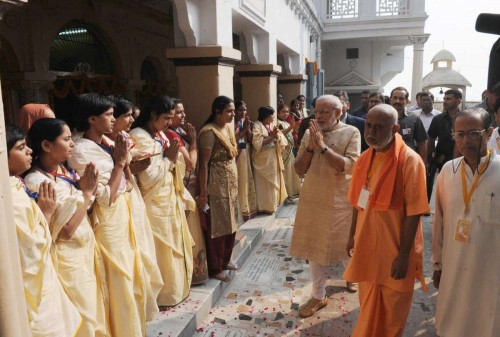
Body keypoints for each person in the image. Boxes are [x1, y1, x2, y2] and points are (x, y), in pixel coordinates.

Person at [344, 104, 429, 337]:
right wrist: (352, 236)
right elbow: (357, 203)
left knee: (392, 314)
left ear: (395, 128)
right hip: (368, 247)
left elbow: (414, 212)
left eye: (379, 127)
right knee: (368, 303)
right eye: (369, 126)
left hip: (395, 250)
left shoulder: (410, 161)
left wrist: (403, 256)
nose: (371, 132)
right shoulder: (364, 159)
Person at [67, 93, 146, 337]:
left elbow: (127, 182)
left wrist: (125, 164)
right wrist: (121, 164)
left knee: (131, 272)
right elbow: (105, 198)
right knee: (118, 276)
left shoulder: (107, 143)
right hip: (107, 221)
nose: (115, 120)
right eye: (109, 115)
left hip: (124, 214)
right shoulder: (80, 151)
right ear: (92, 119)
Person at [25, 118, 109, 337]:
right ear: (46, 145)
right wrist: (87, 195)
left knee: (94, 310)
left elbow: (82, 212)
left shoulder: (65, 172)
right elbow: (66, 231)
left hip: (84, 251)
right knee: (83, 316)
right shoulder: (38, 181)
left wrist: (84, 192)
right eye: (66, 139)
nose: (73, 143)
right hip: (67, 259)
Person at [7, 122, 82, 337]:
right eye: (21, 147)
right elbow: (29, 251)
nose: (30, 150)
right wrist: (47, 214)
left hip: (46, 274)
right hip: (34, 283)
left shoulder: (16, 184)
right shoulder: (11, 196)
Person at [290, 95, 360, 318]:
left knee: (345, 244)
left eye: (324, 112)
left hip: (340, 200)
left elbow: (350, 167)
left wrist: (322, 148)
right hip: (313, 199)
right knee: (315, 247)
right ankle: (319, 295)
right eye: (316, 111)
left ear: (338, 113)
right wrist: (310, 148)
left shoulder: (351, 132)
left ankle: (352, 275)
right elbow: (299, 169)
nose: (318, 116)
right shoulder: (310, 132)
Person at [432, 108, 500, 337]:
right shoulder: (447, 171)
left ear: (488, 132)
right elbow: (439, 222)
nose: (465, 140)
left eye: (473, 133)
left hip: (491, 270)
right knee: (453, 323)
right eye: (459, 134)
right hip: (454, 266)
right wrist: (438, 264)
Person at [129, 95, 194, 307]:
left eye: (171, 118)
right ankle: (164, 295)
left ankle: (177, 290)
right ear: (153, 114)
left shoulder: (158, 134)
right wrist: (169, 159)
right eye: (166, 117)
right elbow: (148, 177)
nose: (169, 122)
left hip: (168, 197)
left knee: (174, 242)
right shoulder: (139, 137)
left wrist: (171, 159)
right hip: (154, 202)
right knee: (162, 248)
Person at [106, 95, 163, 319]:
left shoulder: (122, 139)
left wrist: (132, 167)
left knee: (142, 252)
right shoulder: (94, 146)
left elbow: (128, 172)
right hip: (115, 207)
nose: (131, 120)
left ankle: (141, 306)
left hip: (131, 199)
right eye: (125, 115)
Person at [166, 98, 209, 285]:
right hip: (183, 186)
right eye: (178, 112)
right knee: (190, 230)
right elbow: (190, 164)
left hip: (190, 185)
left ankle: (197, 271)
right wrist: (193, 143)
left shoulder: (178, 132)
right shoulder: (170, 135)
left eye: (184, 111)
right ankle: (192, 273)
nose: (184, 115)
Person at [198, 96, 239, 282]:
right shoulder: (209, 132)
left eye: (233, 111)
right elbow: (204, 164)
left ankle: (226, 259)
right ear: (217, 111)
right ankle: (216, 267)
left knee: (231, 222)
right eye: (229, 111)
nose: (232, 114)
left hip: (231, 182)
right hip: (216, 183)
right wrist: (203, 192)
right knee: (218, 225)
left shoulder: (228, 129)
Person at [427, 89, 462, 201]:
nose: (445, 101)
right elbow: (431, 139)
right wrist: (430, 159)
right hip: (443, 161)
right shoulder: (438, 119)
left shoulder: (466, 118)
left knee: (460, 190)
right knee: (444, 192)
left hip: (463, 160)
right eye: (444, 99)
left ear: (458, 101)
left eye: (448, 99)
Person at [251, 106, 288, 213]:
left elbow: (280, 137)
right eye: (271, 115)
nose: (273, 117)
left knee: (274, 182)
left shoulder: (271, 125)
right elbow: (257, 143)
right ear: (266, 116)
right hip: (262, 158)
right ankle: (264, 207)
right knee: (264, 183)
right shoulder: (257, 126)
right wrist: (272, 137)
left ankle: (273, 205)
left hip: (273, 156)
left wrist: (277, 136)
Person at [390, 86, 428, 163]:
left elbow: (422, 143)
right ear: (390, 99)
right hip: (386, 162)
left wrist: (422, 164)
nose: (397, 101)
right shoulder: (381, 117)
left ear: (407, 101)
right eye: (395, 98)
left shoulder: (414, 118)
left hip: (407, 162)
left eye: (401, 98)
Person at [234, 100, 258, 220]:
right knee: (240, 179)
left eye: (244, 110)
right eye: (240, 110)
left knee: (246, 178)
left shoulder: (245, 122)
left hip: (245, 151)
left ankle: (248, 208)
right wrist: (243, 130)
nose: (243, 112)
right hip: (236, 153)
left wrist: (248, 129)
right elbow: (233, 139)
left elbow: (250, 139)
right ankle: (241, 210)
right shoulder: (233, 124)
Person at [277, 104, 301, 200]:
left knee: (291, 172)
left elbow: (291, 133)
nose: (285, 114)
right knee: (286, 173)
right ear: (278, 112)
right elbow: (280, 134)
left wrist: (294, 127)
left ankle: (292, 192)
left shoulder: (286, 123)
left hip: (289, 151)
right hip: (284, 152)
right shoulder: (278, 122)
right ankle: (286, 193)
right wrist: (291, 127)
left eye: (287, 111)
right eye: (283, 111)